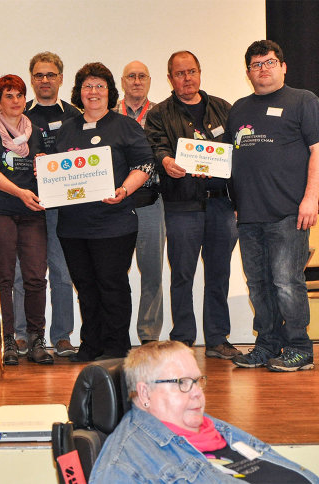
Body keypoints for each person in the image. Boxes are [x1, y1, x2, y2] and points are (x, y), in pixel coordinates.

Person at [228, 40, 319, 372]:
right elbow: (233, 159)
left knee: (287, 282)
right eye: (257, 65)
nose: (264, 69)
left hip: (289, 211)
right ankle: (267, 344)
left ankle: (300, 347)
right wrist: (234, 202)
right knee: (257, 284)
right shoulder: (239, 109)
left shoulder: (304, 100)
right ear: (248, 72)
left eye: (270, 62)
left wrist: (311, 198)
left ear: (283, 66)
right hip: (248, 215)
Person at [89, 341, 319, 483]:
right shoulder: (124, 465)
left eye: (198, 381)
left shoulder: (216, 429)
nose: (196, 393)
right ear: (145, 394)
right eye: (182, 382)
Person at [144, 51, 240, 359]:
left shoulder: (223, 108)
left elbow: (238, 152)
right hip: (181, 204)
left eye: (192, 71)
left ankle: (217, 339)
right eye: (180, 73)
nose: (187, 78)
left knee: (219, 273)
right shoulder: (159, 113)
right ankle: (182, 339)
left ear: (200, 73)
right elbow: (155, 146)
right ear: (170, 78)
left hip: (221, 204)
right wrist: (166, 161)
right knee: (182, 275)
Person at [55, 63, 153, 362]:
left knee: (112, 285)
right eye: (87, 86)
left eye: (99, 86)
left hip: (115, 223)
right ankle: (90, 345)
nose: (93, 92)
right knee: (85, 287)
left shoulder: (125, 125)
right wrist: (46, 167)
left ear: (109, 92)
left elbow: (145, 165)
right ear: (79, 93)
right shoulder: (67, 128)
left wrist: (123, 190)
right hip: (73, 225)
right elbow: (58, 170)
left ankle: (115, 346)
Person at [0, 74, 53, 365]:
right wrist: (20, 192)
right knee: (4, 278)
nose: (15, 100)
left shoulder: (37, 131)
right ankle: (6, 339)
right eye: (8, 95)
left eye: (19, 95)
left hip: (33, 211)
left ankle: (36, 339)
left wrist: (45, 167)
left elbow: (48, 167)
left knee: (35, 277)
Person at [12, 52, 78, 358]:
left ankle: (62, 335)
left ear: (61, 78)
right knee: (26, 273)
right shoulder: (18, 116)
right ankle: (23, 333)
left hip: (66, 207)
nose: (45, 80)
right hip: (30, 206)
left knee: (63, 273)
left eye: (51, 74)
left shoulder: (77, 116)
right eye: (39, 75)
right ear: (31, 79)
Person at [114, 60, 165, 346]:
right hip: (117, 204)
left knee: (152, 271)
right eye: (130, 76)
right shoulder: (110, 116)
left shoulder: (160, 114)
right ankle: (117, 334)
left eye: (141, 76)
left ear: (149, 80)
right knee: (114, 273)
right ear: (123, 82)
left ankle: (149, 336)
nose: (136, 81)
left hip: (150, 200)